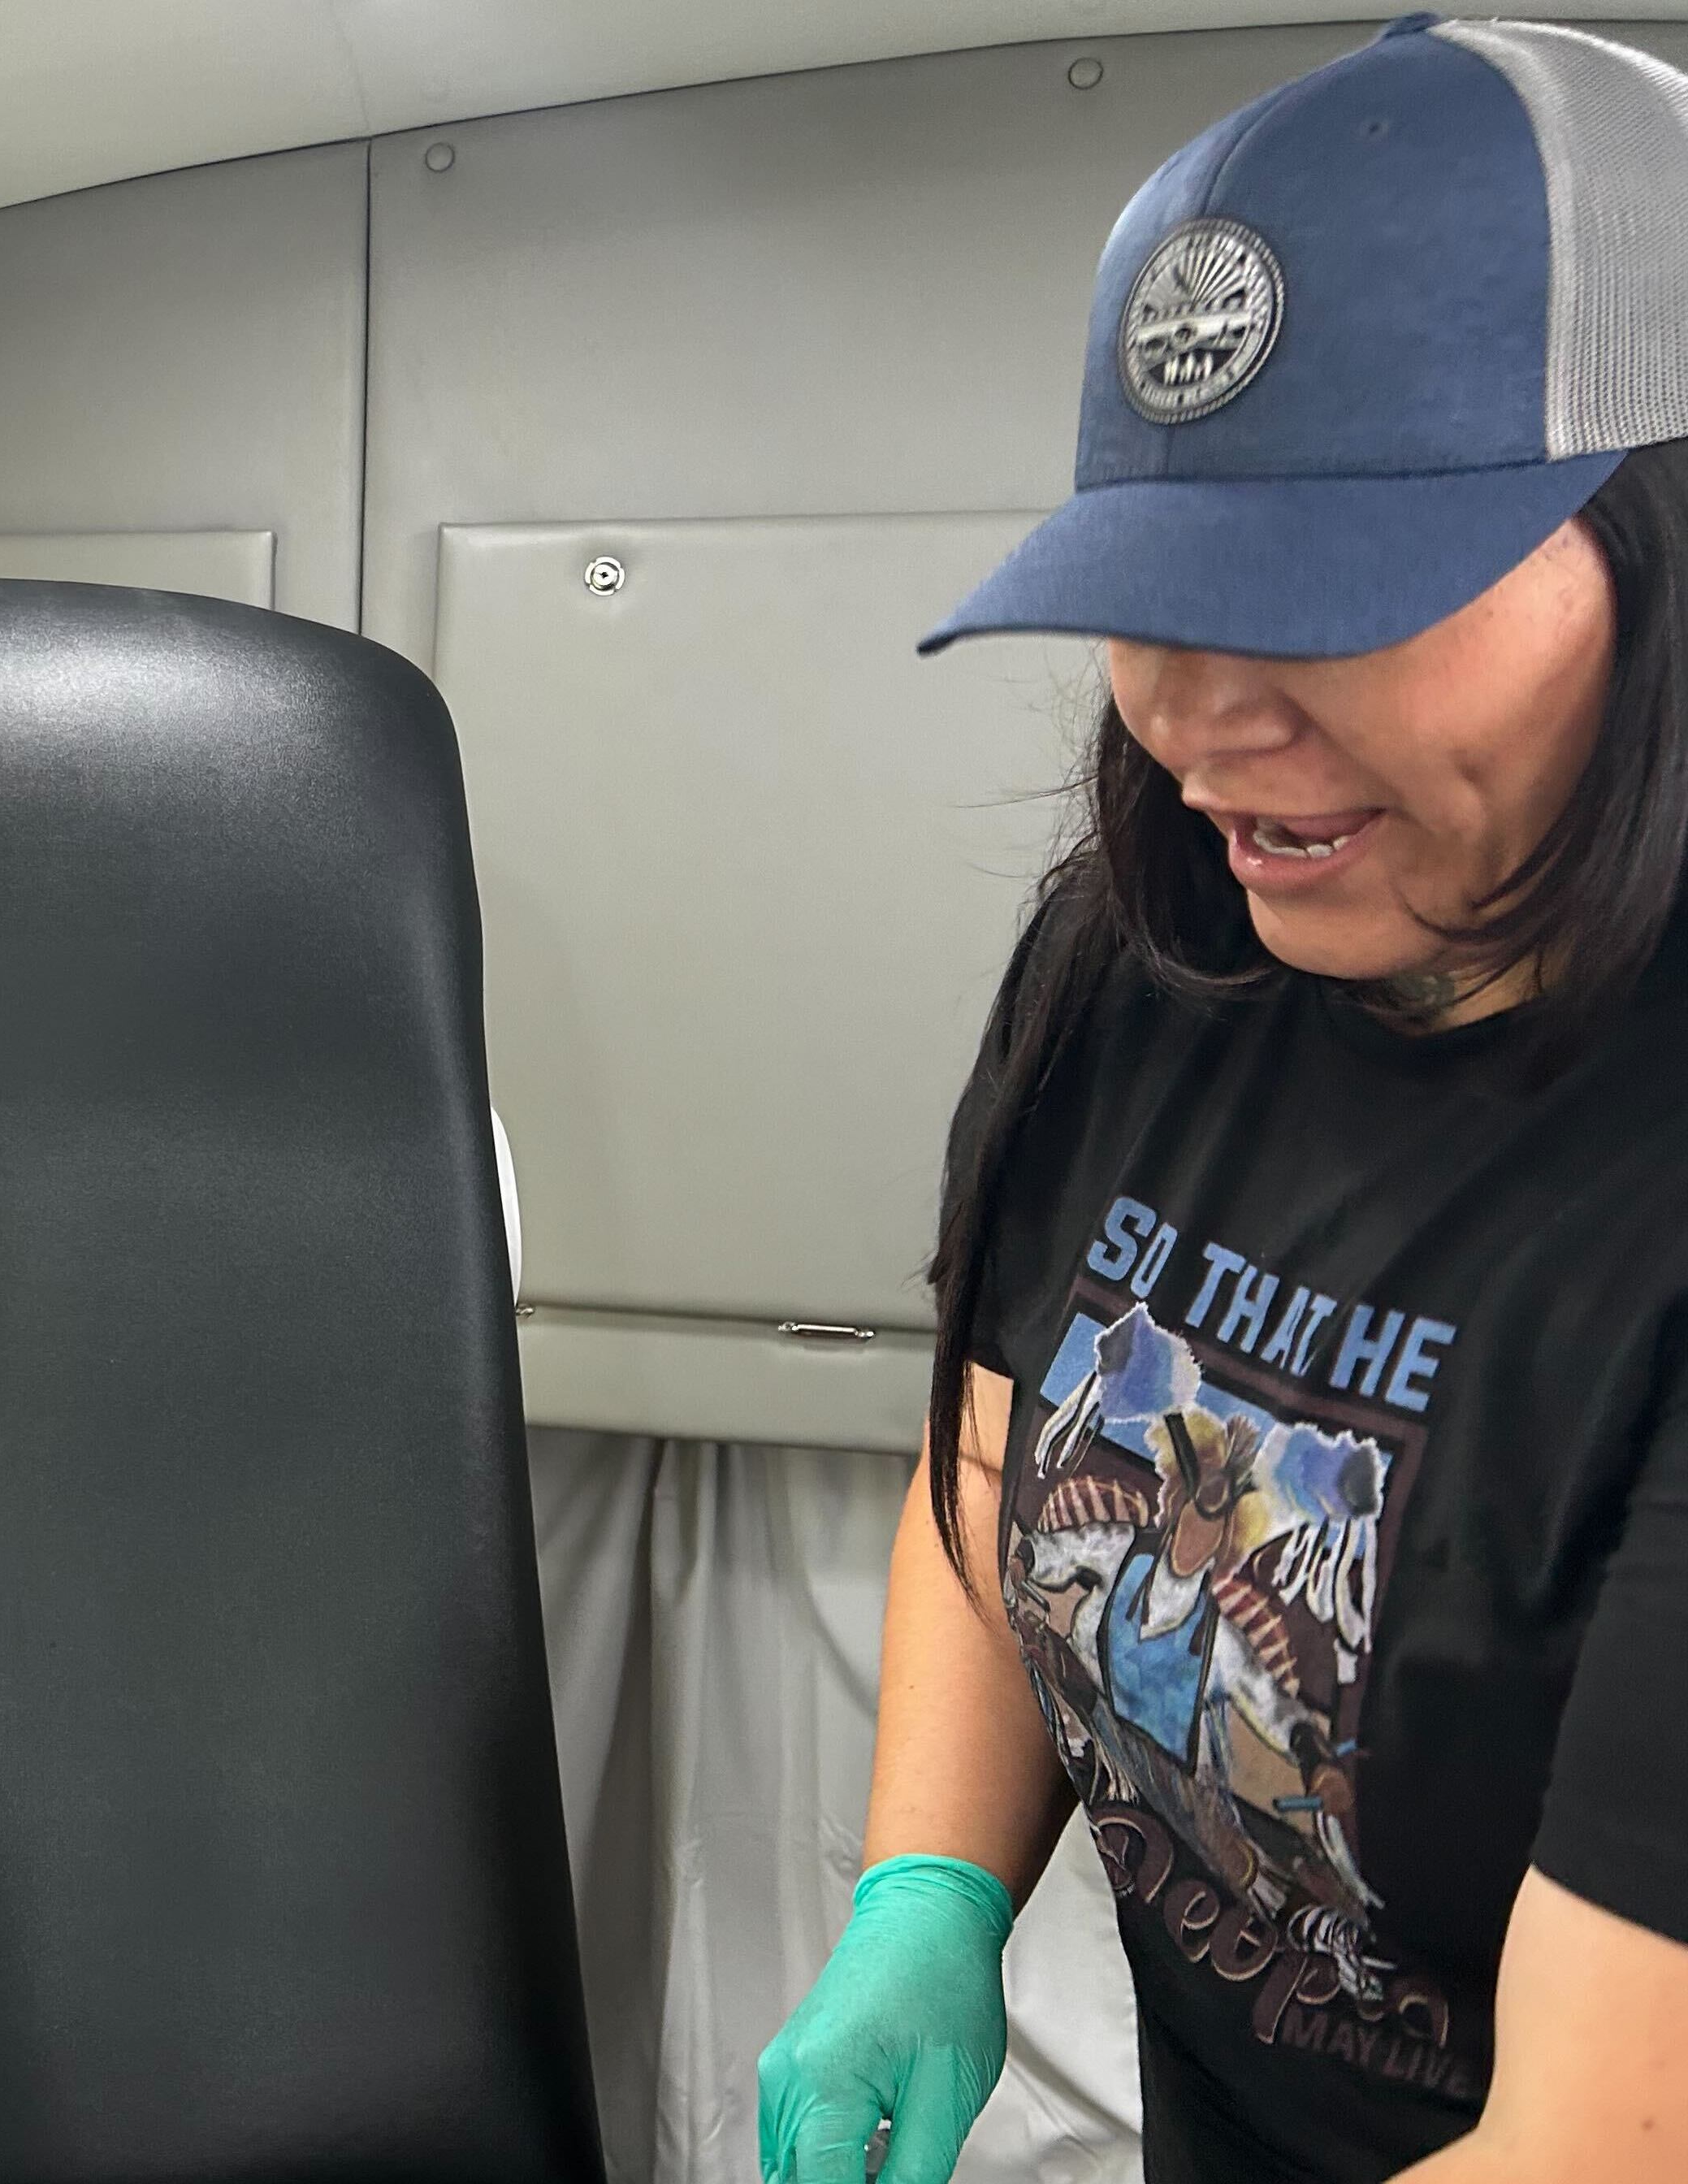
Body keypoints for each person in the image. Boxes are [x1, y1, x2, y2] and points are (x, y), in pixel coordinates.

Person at [755, 17, 1688, 2183]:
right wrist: (928, 1898)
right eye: (1161, 597)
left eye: (1330, 598)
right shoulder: (1149, 958)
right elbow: (1002, 1437)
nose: (1192, 721)